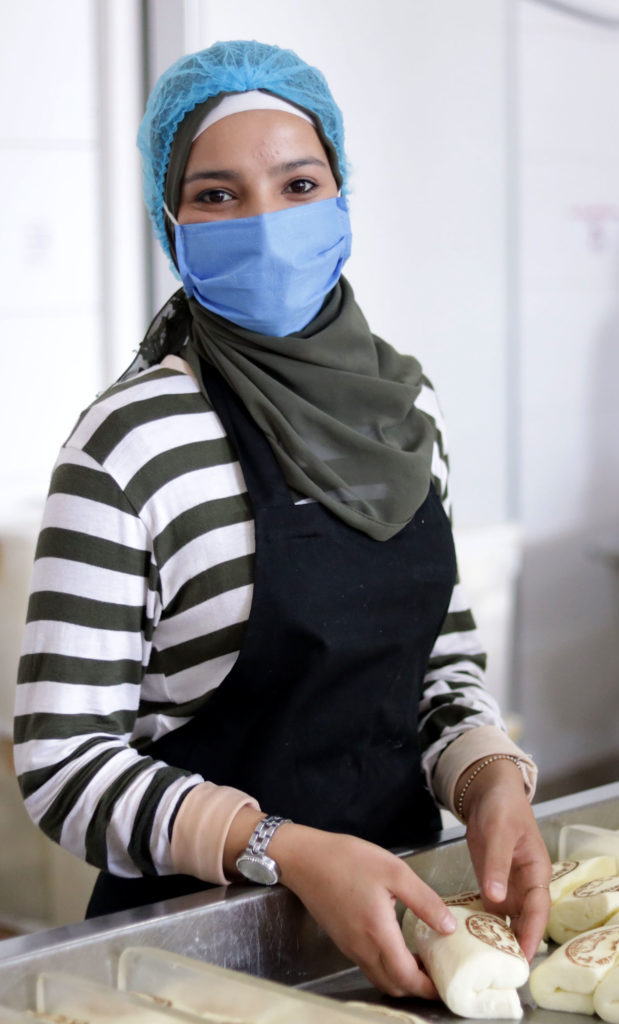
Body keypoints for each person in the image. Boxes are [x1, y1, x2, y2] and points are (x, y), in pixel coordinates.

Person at [13, 39, 550, 1000]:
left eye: (299, 183)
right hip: (189, 955)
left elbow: (437, 665)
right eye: (216, 196)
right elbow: (62, 765)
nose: (264, 223)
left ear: (342, 197)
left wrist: (487, 778)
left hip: (412, 931)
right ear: (169, 222)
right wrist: (282, 850)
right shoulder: (127, 445)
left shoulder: (404, 416)